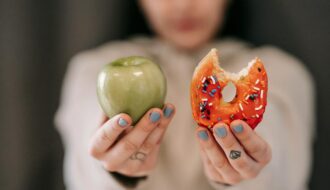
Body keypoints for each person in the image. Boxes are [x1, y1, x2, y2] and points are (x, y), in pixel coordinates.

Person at [54, 0, 315, 189]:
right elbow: (85, 154)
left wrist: (247, 169)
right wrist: (116, 170)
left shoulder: (283, 71)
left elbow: (278, 149)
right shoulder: (90, 69)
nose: (183, 5)